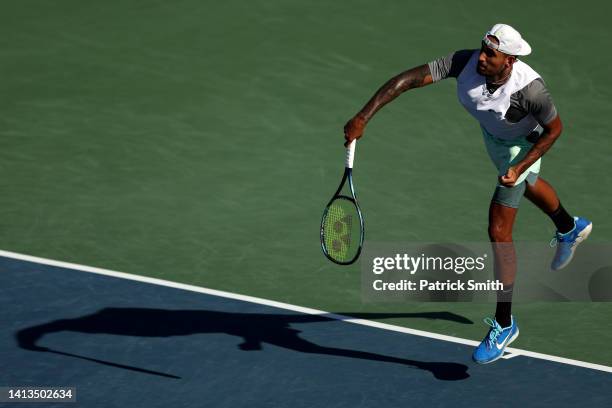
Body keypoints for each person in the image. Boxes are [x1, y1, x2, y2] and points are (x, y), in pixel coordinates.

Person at [343, 23, 593, 364]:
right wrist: (363, 116)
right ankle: (569, 227)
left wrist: (520, 167)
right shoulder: (464, 62)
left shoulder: (531, 90)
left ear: (509, 60)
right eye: (483, 49)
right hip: (495, 140)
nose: (482, 58)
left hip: (523, 145)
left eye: (492, 54)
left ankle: (505, 324)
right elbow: (406, 80)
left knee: (498, 229)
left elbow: (555, 129)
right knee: (530, 186)